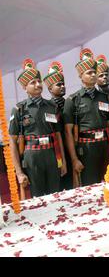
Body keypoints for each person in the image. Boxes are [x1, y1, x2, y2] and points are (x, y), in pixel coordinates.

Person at [9, 59, 67, 197]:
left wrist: (63, 161)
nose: (37, 85)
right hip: (32, 157)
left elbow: (58, 135)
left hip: (52, 155)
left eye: (39, 81)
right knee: (37, 196)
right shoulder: (19, 109)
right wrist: (19, 172)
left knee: (55, 194)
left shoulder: (52, 106)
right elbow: (12, 141)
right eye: (32, 82)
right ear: (24, 87)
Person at [63, 48, 109, 187]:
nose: (93, 75)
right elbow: (68, 132)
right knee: (90, 185)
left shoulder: (105, 98)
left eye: (94, 72)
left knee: (108, 184)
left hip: (104, 146)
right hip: (86, 149)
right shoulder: (73, 100)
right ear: (81, 76)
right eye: (89, 73)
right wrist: (74, 159)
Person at [43, 61, 72, 190]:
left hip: (72, 146)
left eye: (63, 84)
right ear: (50, 89)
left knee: (72, 182)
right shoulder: (47, 107)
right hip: (56, 149)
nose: (62, 87)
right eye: (59, 84)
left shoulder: (71, 103)